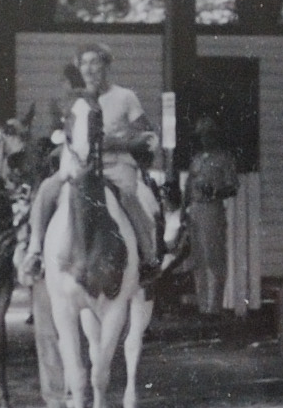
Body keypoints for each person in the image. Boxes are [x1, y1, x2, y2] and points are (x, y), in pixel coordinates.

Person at [22, 44, 167, 278]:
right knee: (47, 190)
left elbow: (146, 134)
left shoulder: (124, 97)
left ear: (106, 66)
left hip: (116, 166)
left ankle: (147, 256)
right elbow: (62, 133)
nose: (89, 69)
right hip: (81, 165)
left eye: (94, 62)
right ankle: (35, 252)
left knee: (130, 196)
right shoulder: (75, 100)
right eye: (84, 64)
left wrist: (116, 142)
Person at [183, 120, 242, 316]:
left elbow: (233, 186)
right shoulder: (198, 158)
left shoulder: (224, 159)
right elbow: (189, 183)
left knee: (213, 257)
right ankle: (202, 306)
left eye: (209, 134)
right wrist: (184, 209)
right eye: (202, 135)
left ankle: (214, 307)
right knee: (197, 258)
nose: (205, 138)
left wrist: (215, 191)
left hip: (211, 208)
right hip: (195, 209)